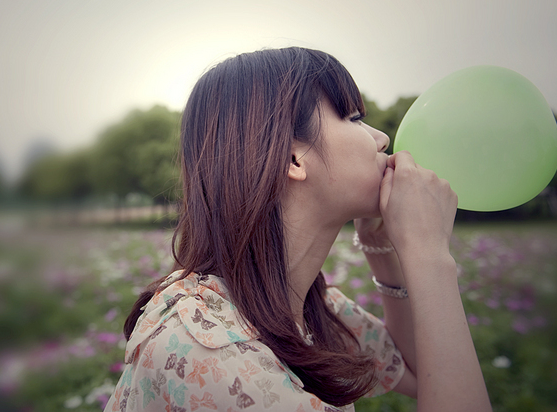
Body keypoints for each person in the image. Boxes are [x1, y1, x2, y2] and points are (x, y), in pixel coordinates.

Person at [104, 48, 491, 411]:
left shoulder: (304, 306)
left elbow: (421, 372)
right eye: (354, 118)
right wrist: (430, 256)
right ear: (294, 158)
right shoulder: (210, 349)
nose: (382, 138)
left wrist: (382, 247)